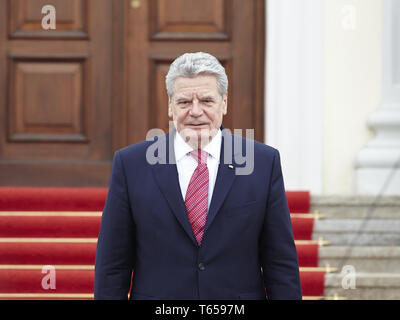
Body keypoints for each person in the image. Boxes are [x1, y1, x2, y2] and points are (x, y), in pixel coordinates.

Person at [94, 52, 302, 300]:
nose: (195, 111)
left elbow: (279, 263)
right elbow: (112, 265)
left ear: (224, 103)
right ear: (170, 106)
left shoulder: (262, 163)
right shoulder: (131, 164)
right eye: (184, 102)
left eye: (206, 100)